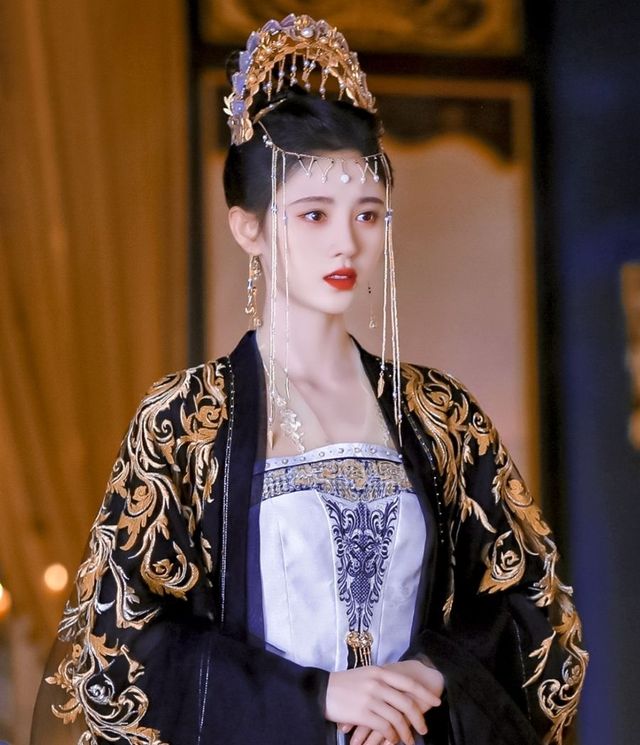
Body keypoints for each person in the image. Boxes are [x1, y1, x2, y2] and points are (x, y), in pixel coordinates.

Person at [31, 14, 588, 745]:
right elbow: (121, 646)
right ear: (250, 228)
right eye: (314, 214)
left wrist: (429, 676)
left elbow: (535, 608)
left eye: (367, 214)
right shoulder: (185, 419)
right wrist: (318, 695)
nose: (346, 242)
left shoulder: (440, 415)